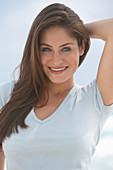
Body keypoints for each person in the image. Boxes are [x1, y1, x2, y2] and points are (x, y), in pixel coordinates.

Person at [0, 3, 113, 170]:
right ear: (35, 51)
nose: (56, 60)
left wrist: (75, 29)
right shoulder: (7, 95)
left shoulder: (95, 99)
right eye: (46, 49)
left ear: (81, 47)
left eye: (65, 48)